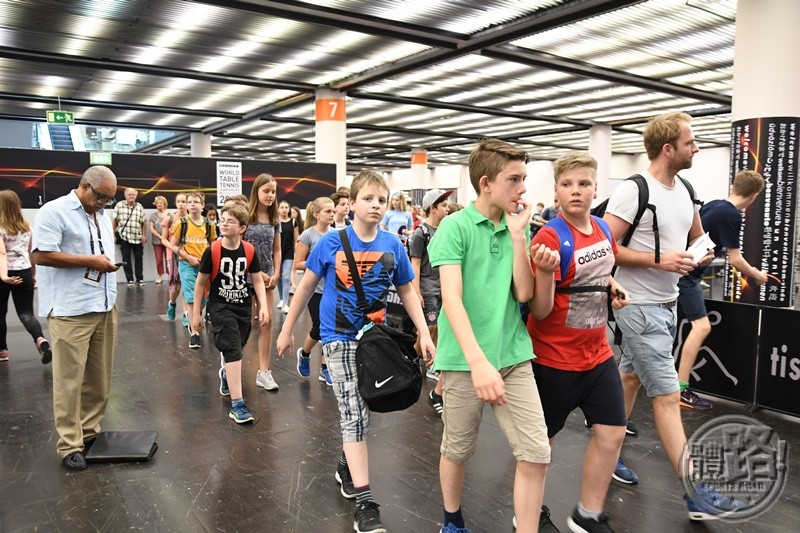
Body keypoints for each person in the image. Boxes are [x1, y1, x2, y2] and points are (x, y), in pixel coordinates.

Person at [276, 170, 435, 533]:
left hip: (372, 336)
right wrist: (287, 329)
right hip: (336, 336)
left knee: (365, 403)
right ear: (352, 203)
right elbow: (305, 287)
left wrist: (425, 333)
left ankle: (347, 463)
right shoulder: (331, 243)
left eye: (382, 199)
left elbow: (409, 292)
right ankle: (365, 502)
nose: (376, 205)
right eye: (368, 198)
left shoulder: (393, 245)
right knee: (354, 410)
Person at [602, 112, 741, 520]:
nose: (696, 147)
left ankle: (606, 455)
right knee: (666, 396)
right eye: (690, 142)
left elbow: (698, 236)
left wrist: (705, 249)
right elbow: (605, 246)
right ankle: (698, 493)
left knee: (628, 379)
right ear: (669, 148)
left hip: (667, 305)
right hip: (638, 308)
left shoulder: (685, 188)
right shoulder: (634, 191)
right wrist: (658, 261)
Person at [428, 139, 550, 533]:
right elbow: (452, 300)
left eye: (523, 179)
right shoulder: (454, 227)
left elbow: (524, 293)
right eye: (514, 180)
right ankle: (451, 518)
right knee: (458, 448)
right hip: (464, 359)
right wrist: (479, 363)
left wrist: (518, 237)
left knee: (536, 452)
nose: (522, 189)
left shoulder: (516, 226)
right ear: (486, 183)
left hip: (513, 354)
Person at [527, 152, 629, 532]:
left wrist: (615, 287)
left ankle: (587, 513)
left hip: (598, 354)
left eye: (583, 184)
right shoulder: (550, 236)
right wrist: (547, 273)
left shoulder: (603, 229)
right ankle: (529, 511)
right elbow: (539, 310)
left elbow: (603, 275)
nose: (576, 191)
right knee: (542, 447)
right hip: (554, 359)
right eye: (567, 184)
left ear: (595, 188)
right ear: (556, 190)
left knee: (613, 432)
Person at [31, 165, 122, 471]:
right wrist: (89, 261)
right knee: (69, 382)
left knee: (99, 379)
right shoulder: (54, 212)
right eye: (101, 197)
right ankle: (69, 444)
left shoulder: (103, 214)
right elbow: (40, 254)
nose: (104, 204)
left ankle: (90, 431)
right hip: (71, 309)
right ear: (84, 186)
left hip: (105, 305)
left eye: (110, 199)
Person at [676, 170, 768, 410]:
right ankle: (681, 389)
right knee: (701, 326)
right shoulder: (731, 215)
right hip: (686, 277)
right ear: (754, 196)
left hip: (679, 275)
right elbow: (735, 259)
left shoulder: (716, 205)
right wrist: (757, 274)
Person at [191, 204, 269, 423]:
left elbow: (256, 279)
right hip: (220, 307)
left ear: (242, 227)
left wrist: (262, 306)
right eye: (222, 219)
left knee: (238, 346)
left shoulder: (249, 251)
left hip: (243, 307)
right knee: (233, 349)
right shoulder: (212, 250)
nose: (223, 223)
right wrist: (196, 314)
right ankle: (238, 405)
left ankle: (226, 373)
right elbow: (200, 284)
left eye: (230, 221)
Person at [409, 188, 452, 417]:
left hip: (443, 285)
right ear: (432, 207)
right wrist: (416, 292)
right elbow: (414, 265)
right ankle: (415, 356)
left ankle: (422, 357)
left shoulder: (446, 230)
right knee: (430, 327)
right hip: (426, 286)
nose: (447, 208)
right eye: (443, 204)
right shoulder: (420, 233)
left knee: (438, 327)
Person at [0, 190, 52, 364]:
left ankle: (3, 352)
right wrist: (33, 274)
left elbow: (1, 254)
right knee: (26, 313)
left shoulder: (0, 227)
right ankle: (40, 339)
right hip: (24, 273)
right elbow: (31, 253)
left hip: (3, 275)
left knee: (1, 314)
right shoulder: (27, 227)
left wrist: (4, 277)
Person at [244, 173, 281, 391]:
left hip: (267, 278)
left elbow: (277, 249)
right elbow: (241, 248)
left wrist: (275, 273)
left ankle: (264, 371)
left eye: (273, 191)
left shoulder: (275, 220)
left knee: (266, 322)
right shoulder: (246, 218)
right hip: (245, 276)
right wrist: (256, 272)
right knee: (245, 322)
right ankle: (230, 366)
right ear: (257, 191)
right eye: (266, 191)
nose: (270, 195)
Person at [293, 197, 336, 385]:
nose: (332, 214)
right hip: (315, 290)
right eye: (328, 211)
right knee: (319, 328)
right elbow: (298, 263)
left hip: (333, 289)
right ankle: (304, 353)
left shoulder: (336, 234)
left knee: (329, 329)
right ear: (316, 214)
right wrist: (319, 264)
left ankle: (325, 368)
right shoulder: (307, 236)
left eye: (333, 211)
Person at [169, 191, 217, 349]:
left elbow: (213, 245)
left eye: (196, 202)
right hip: (186, 263)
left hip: (204, 265)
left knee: (202, 299)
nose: (192, 205)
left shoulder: (209, 225)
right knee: (190, 297)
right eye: (190, 202)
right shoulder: (181, 224)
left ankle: (192, 317)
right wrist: (188, 257)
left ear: (202, 205)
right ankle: (194, 334)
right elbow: (173, 245)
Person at [113, 187, 147, 286]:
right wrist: (113, 234)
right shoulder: (119, 205)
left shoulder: (139, 206)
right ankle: (130, 280)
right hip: (124, 237)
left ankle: (140, 279)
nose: (131, 196)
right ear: (125, 195)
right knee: (126, 259)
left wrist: (144, 235)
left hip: (137, 237)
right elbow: (114, 221)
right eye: (129, 194)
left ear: (136, 196)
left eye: (133, 195)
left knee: (139, 259)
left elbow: (143, 223)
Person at [162, 193, 187, 321]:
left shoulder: (193, 218)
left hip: (188, 256)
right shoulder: (169, 218)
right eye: (179, 201)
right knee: (176, 286)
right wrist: (174, 248)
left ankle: (186, 314)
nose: (181, 204)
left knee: (187, 285)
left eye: (184, 201)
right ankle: (172, 303)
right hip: (172, 256)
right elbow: (164, 239)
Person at [277, 200, 299, 313]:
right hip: (277, 253)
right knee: (279, 277)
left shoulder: (293, 222)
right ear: (278, 209)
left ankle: (286, 303)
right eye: (282, 207)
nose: (284, 209)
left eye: (286, 207)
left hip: (288, 252)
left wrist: (296, 253)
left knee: (286, 277)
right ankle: (281, 299)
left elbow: (296, 239)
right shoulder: (275, 222)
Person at [149, 195, 170, 284]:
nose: (159, 205)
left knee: (168, 259)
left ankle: (170, 275)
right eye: (157, 203)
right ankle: (159, 275)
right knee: (159, 259)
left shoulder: (169, 215)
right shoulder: (153, 215)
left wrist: (165, 237)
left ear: (164, 204)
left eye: (161, 203)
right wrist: (160, 236)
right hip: (157, 241)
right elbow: (151, 228)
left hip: (168, 241)